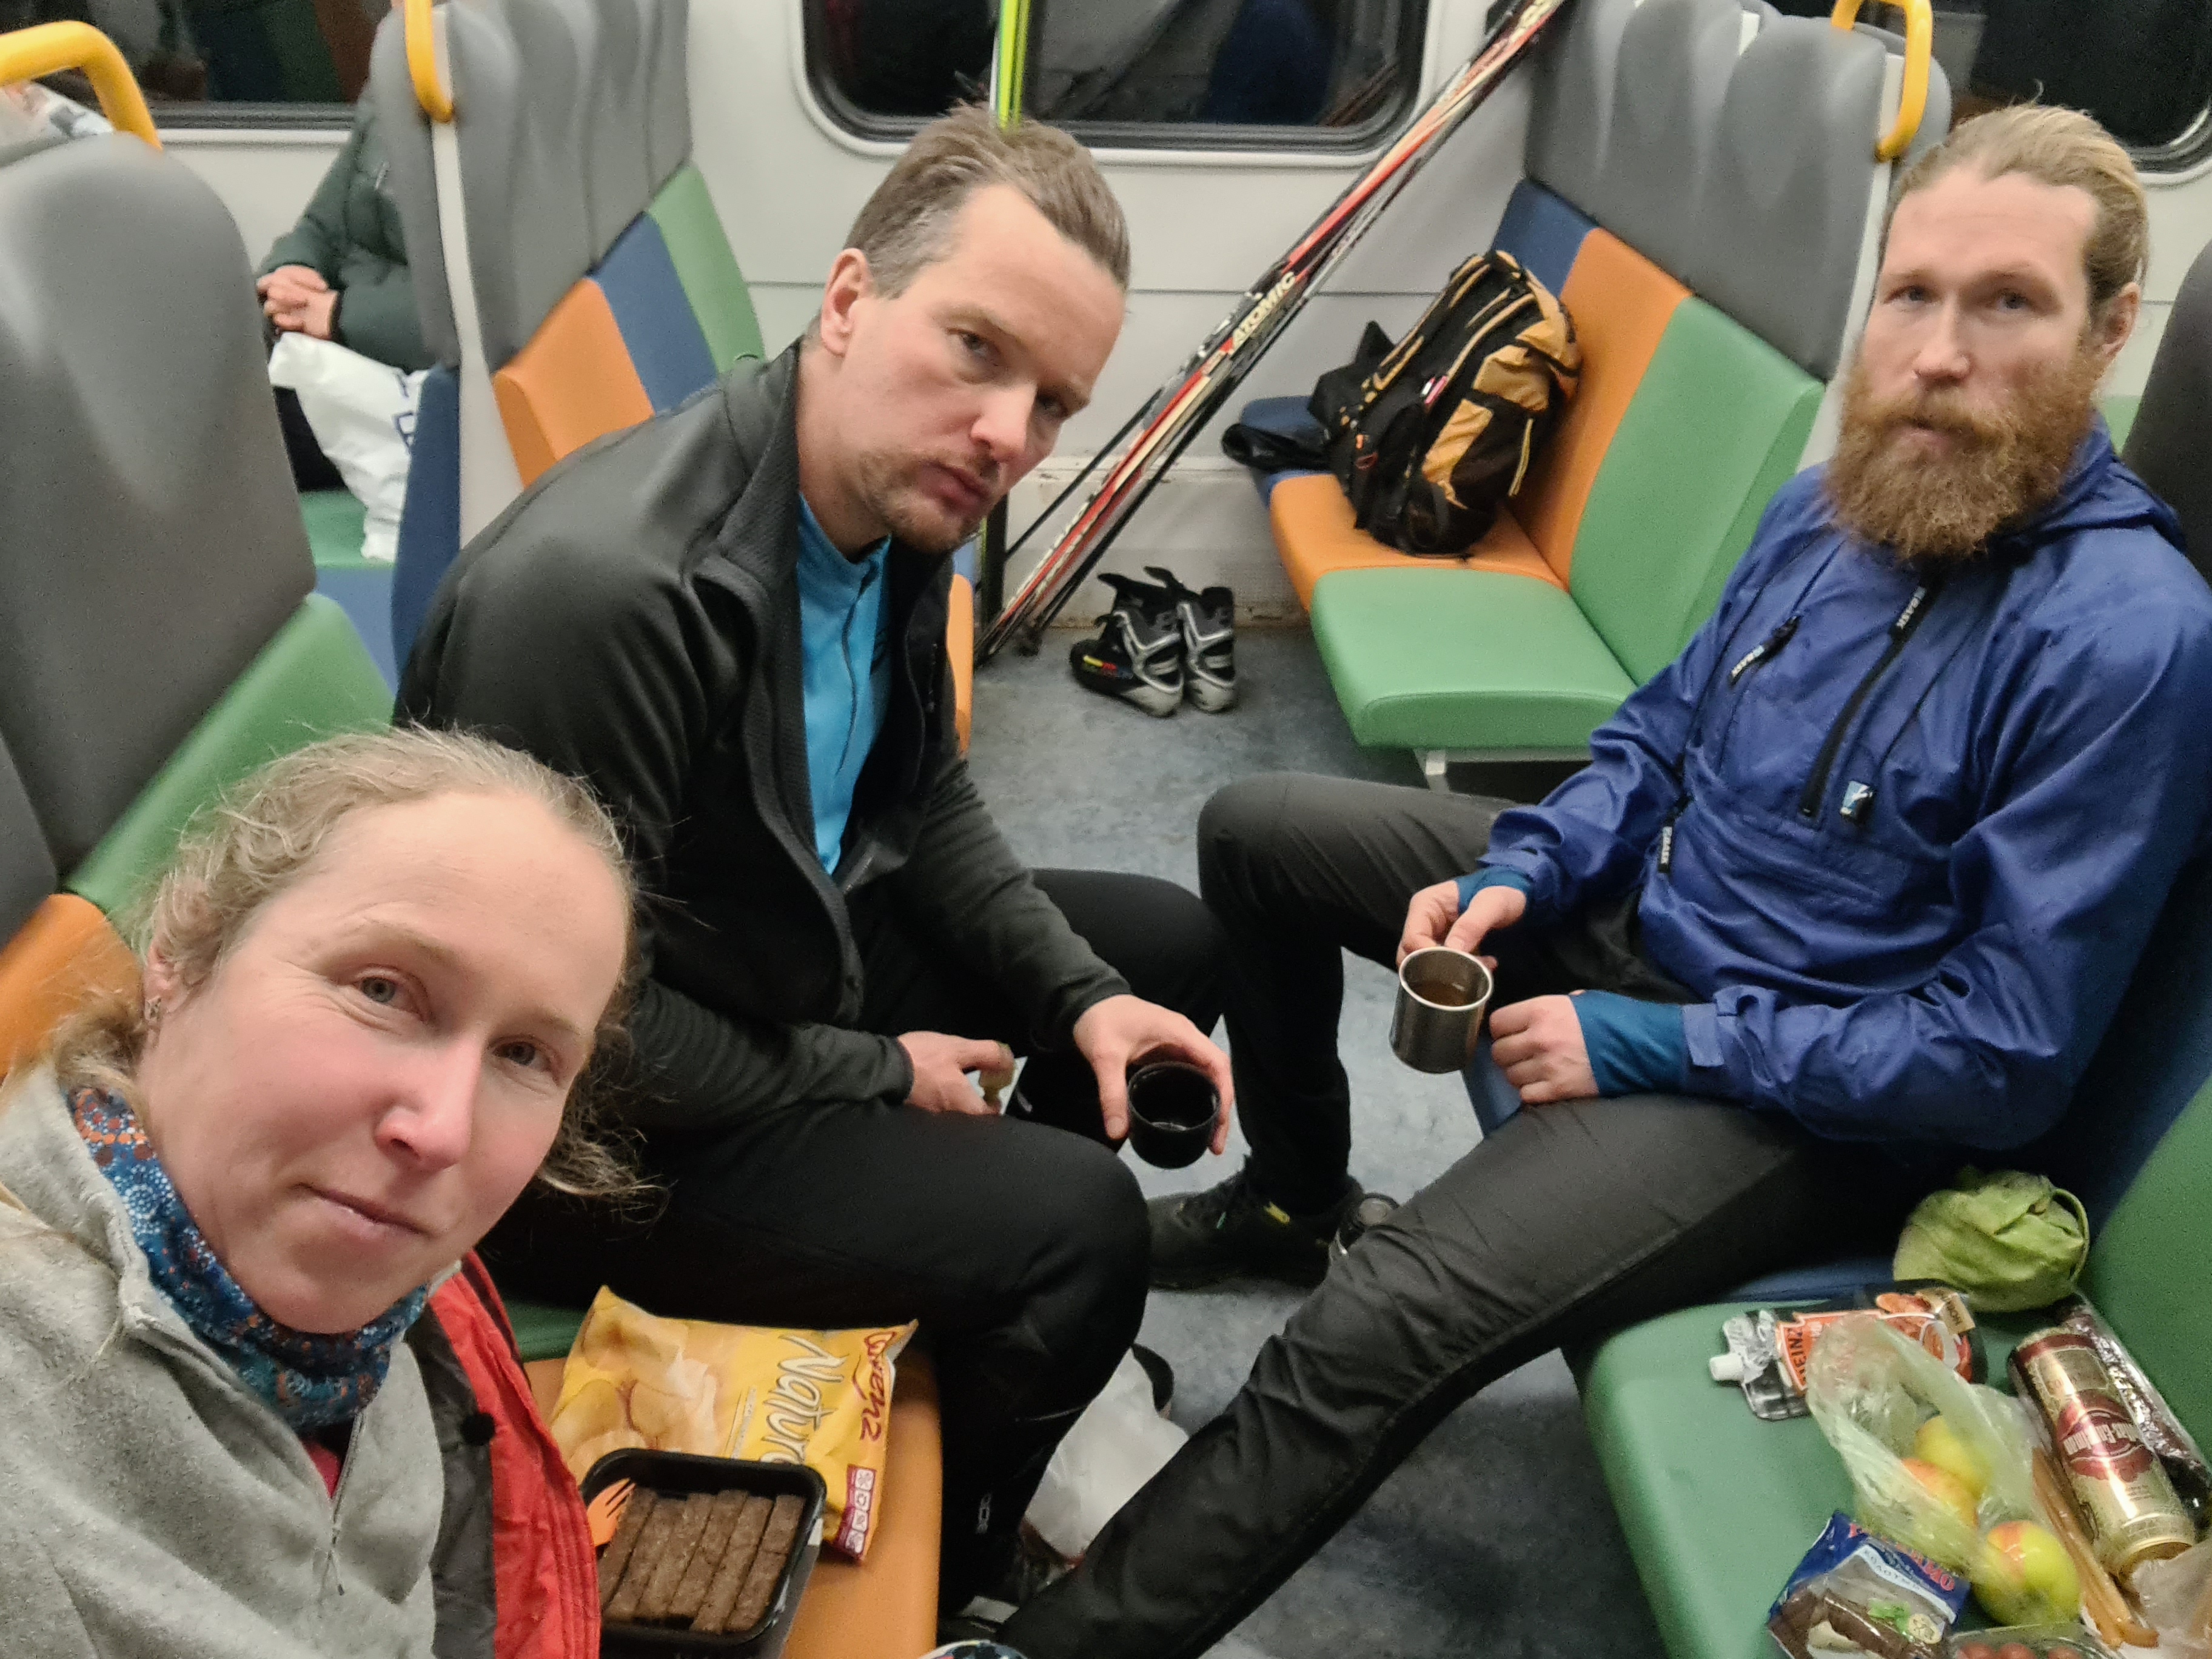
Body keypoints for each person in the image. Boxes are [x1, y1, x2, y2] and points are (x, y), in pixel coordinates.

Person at [998, 106, 2212, 1659]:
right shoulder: (1834, 509)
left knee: (1378, 1324)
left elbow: (2001, 1054)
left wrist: (1646, 1042)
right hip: (1644, 922)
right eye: (1911, 294)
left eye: (2008, 304)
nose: (1938, 353)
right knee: (1256, 830)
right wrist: (1529, 863)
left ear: (2109, 330)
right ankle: (1293, 1196)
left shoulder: (2129, 638)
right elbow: (1656, 736)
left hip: (1803, 1095)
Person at [395, 106, 1233, 1625]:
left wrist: (1084, 998)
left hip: (759, 951)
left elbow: (922, 796)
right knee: (1081, 1232)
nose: (1009, 435)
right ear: (849, 299)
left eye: (1052, 401)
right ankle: (969, 1553)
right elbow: (570, 1042)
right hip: (584, 1131)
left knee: (1159, 952)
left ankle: (968, 1300)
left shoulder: (894, 497)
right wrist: (874, 1070)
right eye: (976, 350)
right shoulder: (605, 600)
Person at [0, 728, 637, 1658]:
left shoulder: (377, 1319)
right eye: (382, 991)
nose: (442, 1132)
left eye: (523, 1054)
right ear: (183, 949)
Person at [256, 81, 432, 492]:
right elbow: (322, 226)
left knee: (222, 424)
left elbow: (500, 309)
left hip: (421, 375)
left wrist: (340, 316)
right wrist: (292, 271)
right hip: (334, 338)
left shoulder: (536, 122)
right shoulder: (395, 85)